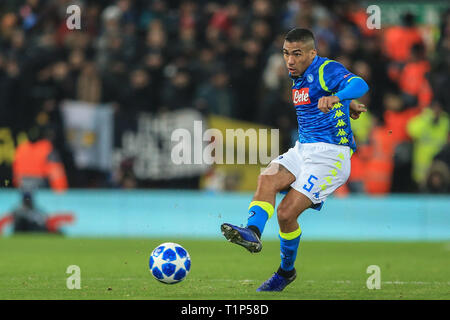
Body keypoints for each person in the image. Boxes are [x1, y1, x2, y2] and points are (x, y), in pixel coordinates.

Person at [221, 28, 369, 292]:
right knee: (267, 178)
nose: (289, 60)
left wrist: (342, 98)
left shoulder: (326, 68)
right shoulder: (297, 77)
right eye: (286, 53)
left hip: (330, 157)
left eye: (297, 54)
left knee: (286, 213)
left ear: (312, 53)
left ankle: (285, 272)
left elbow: (360, 84)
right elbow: (320, 99)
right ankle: (252, 233)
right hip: (303, 149)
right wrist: (347, 106)